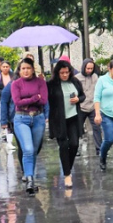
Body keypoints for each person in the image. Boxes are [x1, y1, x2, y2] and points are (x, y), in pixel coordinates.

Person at [10, 57, 48, 194]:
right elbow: (17, 102)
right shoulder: (16, 84)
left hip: (38, 118)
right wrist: (35, 98)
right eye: (23, 68)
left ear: (33, 70)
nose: (25, 71)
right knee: (28, 149)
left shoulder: (40, 82)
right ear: (19, 71)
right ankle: (30, 180)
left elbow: (43, 100)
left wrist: (28, 100)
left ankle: (29, 174)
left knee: (34, 150)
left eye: (28, 68)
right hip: (21, 118)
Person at [49, 60, 86, 189]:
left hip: (73, 118)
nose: (64, 75)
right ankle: (67, 175)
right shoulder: (52, 85)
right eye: (62, 73)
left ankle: (67, 168)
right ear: (57, 73)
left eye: (67, 72)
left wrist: (78, 99)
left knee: (74, 144)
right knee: (64, 146)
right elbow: (46, 99)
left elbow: (83, 96)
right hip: (59, 120)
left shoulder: (75, 82)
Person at [77, 59, 101, 157]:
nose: (89, 70)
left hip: (92, 107)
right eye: (88, 68)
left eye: (91, 68)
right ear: (83, 67)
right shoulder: (77, 78)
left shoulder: (95, 77)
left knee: (97, 128)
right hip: (81, 107)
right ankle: (76, 149)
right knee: (77, 129)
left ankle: (99, 149)